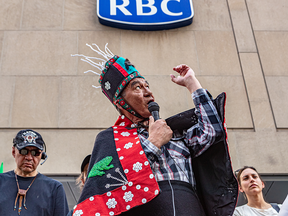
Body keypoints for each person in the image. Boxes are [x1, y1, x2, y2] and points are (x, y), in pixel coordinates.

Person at [72, 45, 238, 216]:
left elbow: (212, 132)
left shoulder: (174, 132)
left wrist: (192, 84)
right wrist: (154, 143)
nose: (148, 92)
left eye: (147, 85)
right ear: (120, 101)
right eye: (137, 87)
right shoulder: (111, 139)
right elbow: (110, 191)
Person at [0, 129, 69, 216]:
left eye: (35, 153)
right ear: (14, 152)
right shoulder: (1, 181)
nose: (29, 157)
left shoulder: (54, 188)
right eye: (24, 151)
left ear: (42, 155)